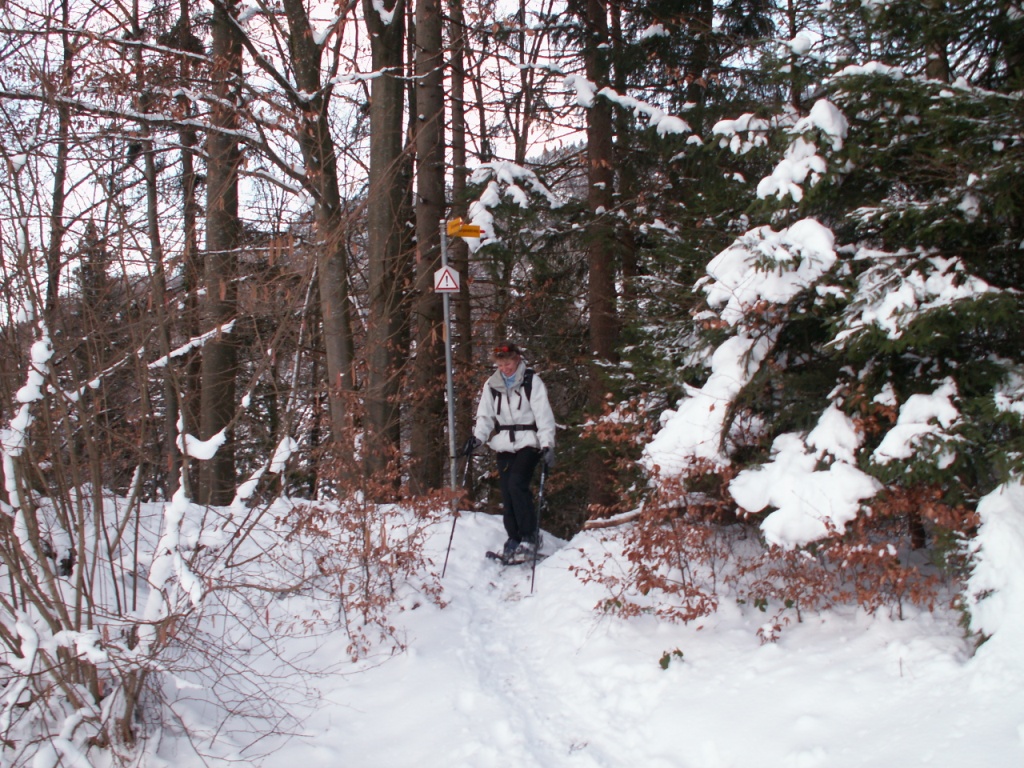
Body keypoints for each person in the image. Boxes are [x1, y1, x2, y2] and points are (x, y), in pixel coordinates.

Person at [463, 342, 556, 562]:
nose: (505, 368)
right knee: (507, 491)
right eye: (501, 365)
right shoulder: (492, 384)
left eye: (509, 364)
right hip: (504, 442)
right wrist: (478, 438)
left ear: (517, 360)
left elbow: (543, 415)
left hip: (529, 441)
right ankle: (514, 538)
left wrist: (547, 444)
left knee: (517, 484)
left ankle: (530, 536)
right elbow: (485, 415)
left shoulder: (531, 381)